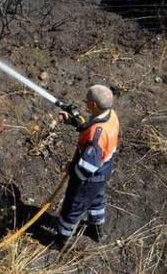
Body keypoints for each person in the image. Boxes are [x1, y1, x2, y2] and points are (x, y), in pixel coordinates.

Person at [55, 84, 120, 244]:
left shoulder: (97, 134)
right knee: (96, 199)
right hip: (103, 171)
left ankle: (62, 239)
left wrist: (72, 169)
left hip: (89, 177)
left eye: (87, 101)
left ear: (94, 106)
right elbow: (89, 127)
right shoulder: (111, 116)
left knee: (73, 207)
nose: (84, 104)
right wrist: (73, 121)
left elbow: (87, 168)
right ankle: (96, 230)